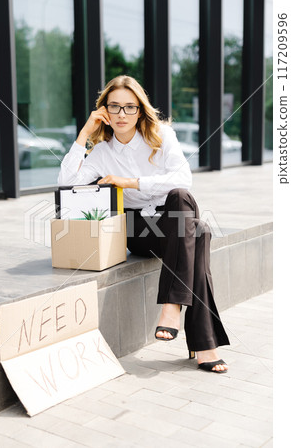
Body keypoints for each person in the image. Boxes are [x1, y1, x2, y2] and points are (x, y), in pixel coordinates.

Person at [58, 75, 230, 373]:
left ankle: (172, 307)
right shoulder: (101, 151)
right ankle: (202, 342)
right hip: (137, 229)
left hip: (172, 217)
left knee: (182, 201)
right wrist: (85, 133)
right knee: (199, 232)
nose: (122, 115)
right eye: (114, 107)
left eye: (130, 107)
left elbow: (182, 180)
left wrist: (129, 183)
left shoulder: (161, 135)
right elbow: (66, 183)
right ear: (104, 111)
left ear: (141, 110)